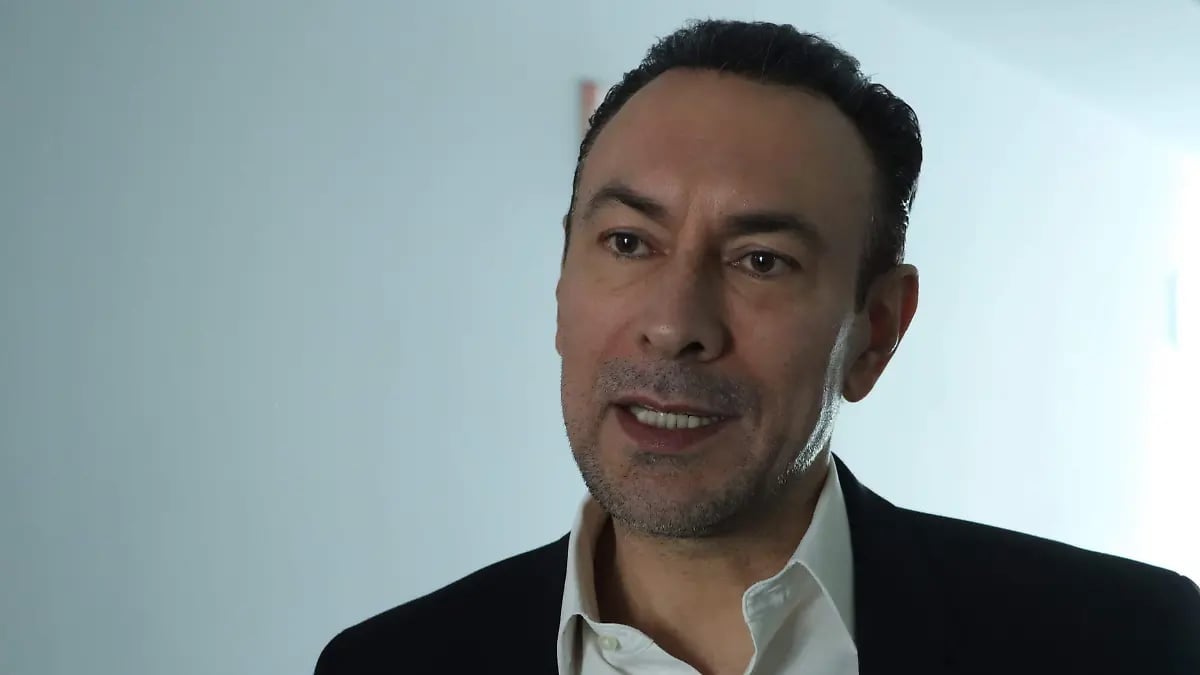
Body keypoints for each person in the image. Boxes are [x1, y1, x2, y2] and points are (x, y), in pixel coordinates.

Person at [314, 19, 1200, 675]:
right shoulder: (386, 664)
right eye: (627, 242)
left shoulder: (1130, 642)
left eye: (761, 260)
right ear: (560, 285)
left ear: (877, 332)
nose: (674, 323)